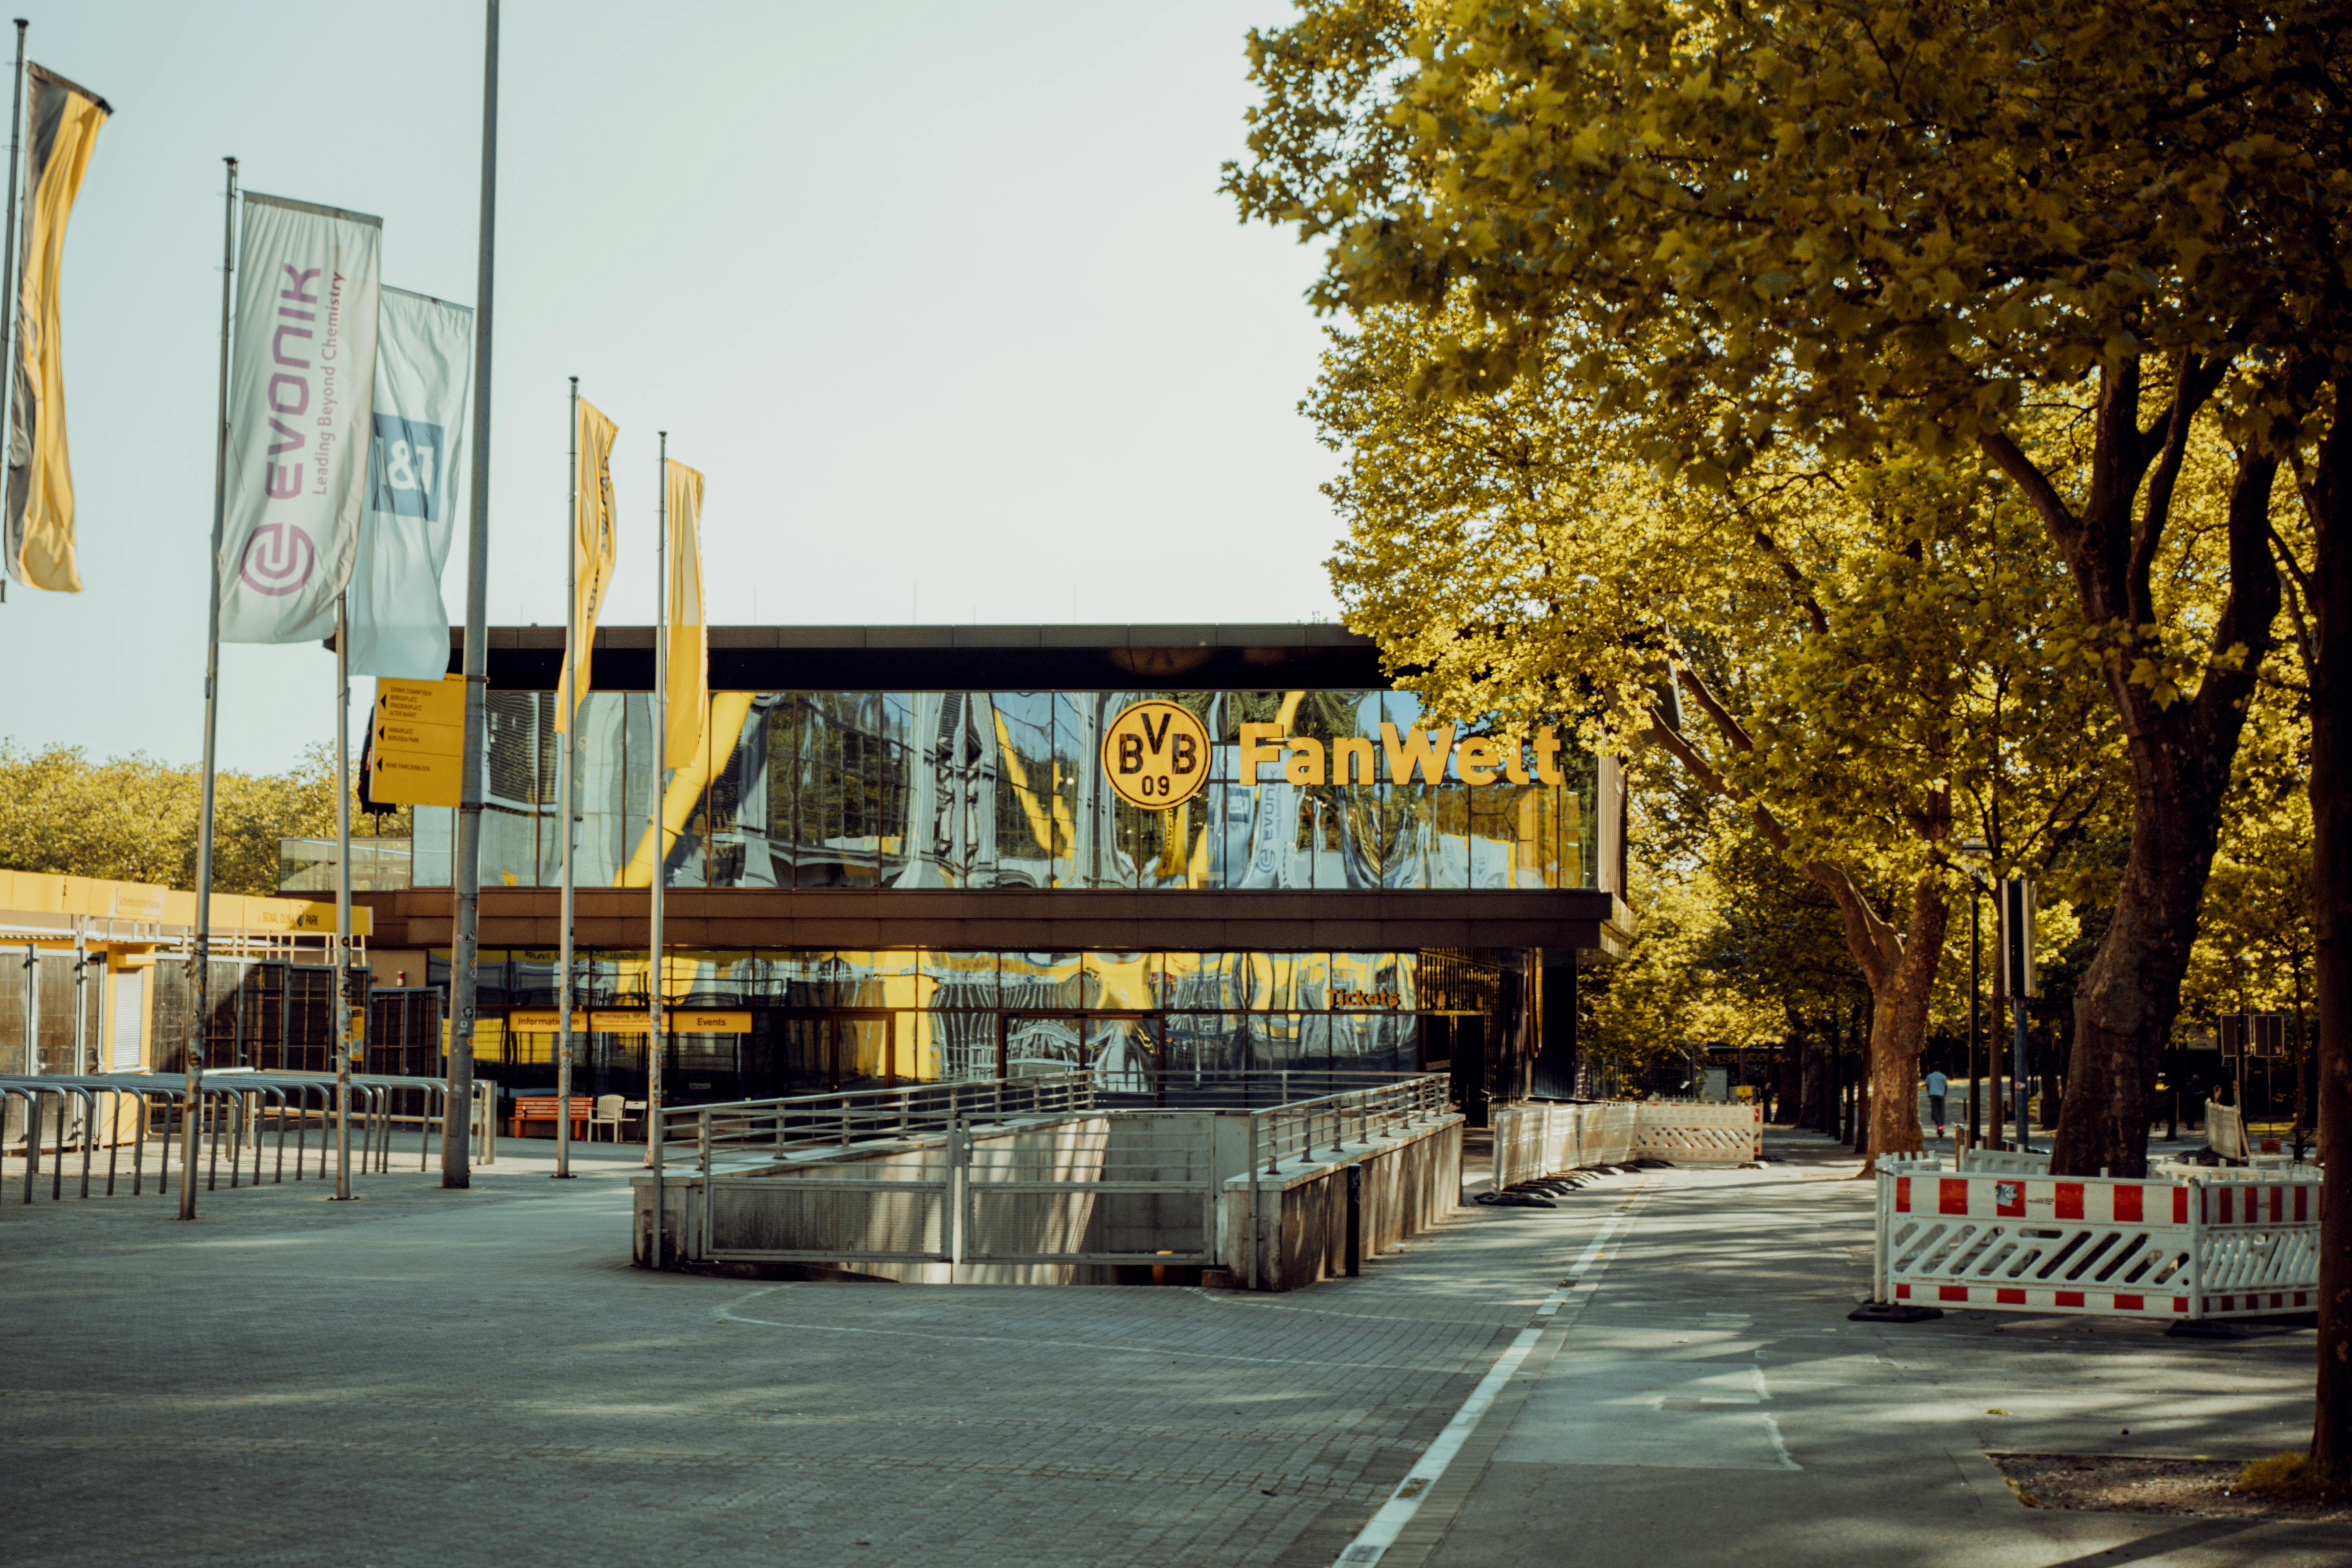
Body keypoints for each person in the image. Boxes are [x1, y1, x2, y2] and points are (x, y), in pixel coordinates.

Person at [1926, 1067, 1949, 1136]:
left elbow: (1928, 1086)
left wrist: (1929, 1094)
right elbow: (1946, 1087)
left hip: (1933, 1095)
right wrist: (1944, 1094)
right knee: (1942, 1112)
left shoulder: (1930, 1076)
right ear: (1940, 1069)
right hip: (1941, 1095)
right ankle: (1941, 1126)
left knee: (1935, 1112)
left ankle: (1939, 1127)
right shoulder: (1943, 1076)